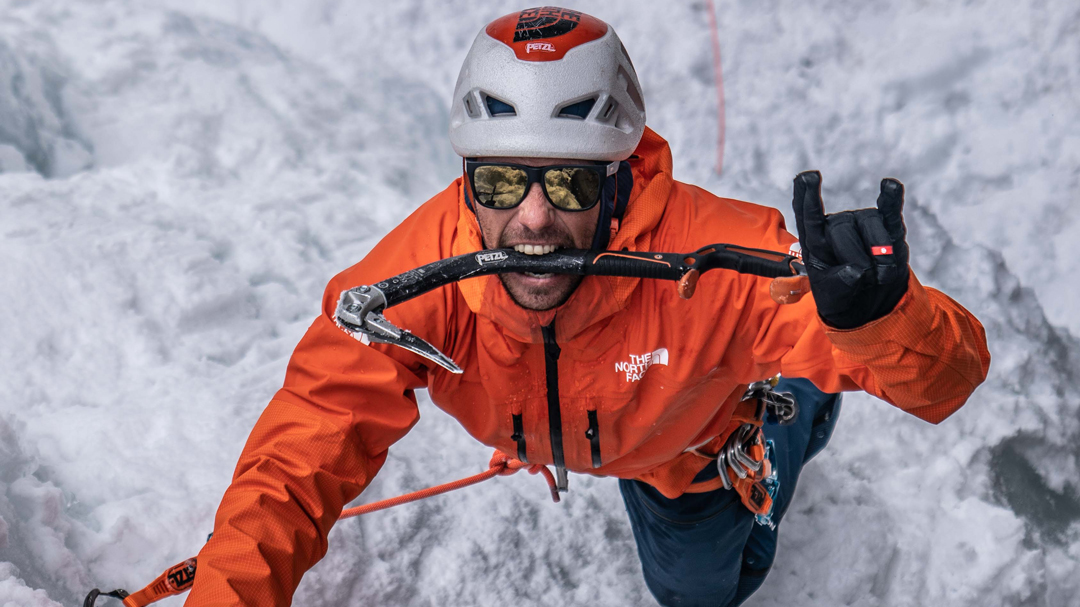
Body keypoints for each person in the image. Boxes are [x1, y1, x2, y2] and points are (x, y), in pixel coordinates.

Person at [185, 7, 990, 607]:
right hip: (597, 418)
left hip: (683, 440)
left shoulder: (714, 257)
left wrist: (882, 318)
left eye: (567, 183)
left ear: (615, 180)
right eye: (501, 183)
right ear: (468, 182)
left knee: (703, 591)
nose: (532, 220)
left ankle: (796, 409)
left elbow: (948, 379)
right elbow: (296, 460)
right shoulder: (416, 278)